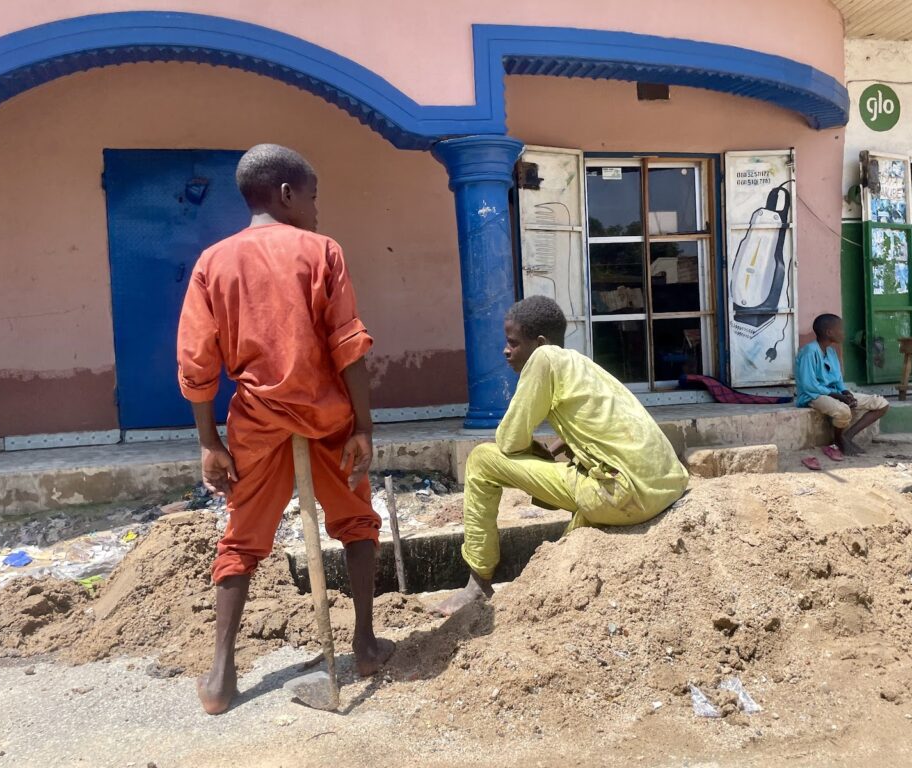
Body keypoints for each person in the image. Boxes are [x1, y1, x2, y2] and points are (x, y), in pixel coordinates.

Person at [176, 143, 392, 715]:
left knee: (242, 539)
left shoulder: (212, 262)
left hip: (257, 422)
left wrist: (208, 442)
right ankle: (365, 643)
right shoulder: (322, 251)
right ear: (288, 194)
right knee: (356, 520)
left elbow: (197, 361)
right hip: (328, 420)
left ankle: (222, 676)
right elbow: (349, 348)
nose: (318, 210)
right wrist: (364, 426)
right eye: (314, 197)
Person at [434, 296, 690, 616]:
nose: (506, 351)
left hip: (624, 494)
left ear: (539, 343)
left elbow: (509, 440)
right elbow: (591, 434)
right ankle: (553, 573)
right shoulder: (582, 365)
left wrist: (534, 451)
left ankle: (477, 582)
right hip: (665, 485)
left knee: (481, 460)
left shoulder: (544, 360)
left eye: (513, 343)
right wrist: (553, 448)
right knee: (578, 476)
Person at [795, 313, 889, 456]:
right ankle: (838, 440)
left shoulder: (831, 352)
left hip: (834, 393)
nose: (843, 333)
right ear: (829, 332)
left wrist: (846, 393)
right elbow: (809, 385)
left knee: (881, 404)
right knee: (843, 410)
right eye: (840, 329)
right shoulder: (809, 352)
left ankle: (847, 436)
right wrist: (837, 396)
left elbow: (838, 380)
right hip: (813, 396)